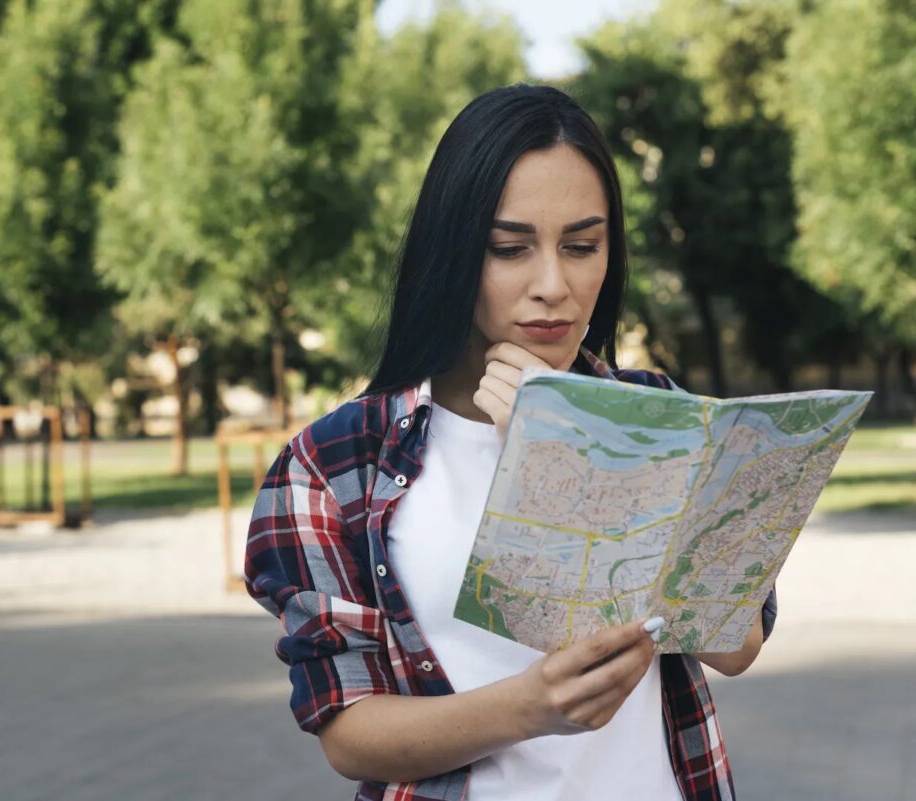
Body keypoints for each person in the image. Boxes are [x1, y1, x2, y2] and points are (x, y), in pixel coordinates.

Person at [243, 84, 776, 801]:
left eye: (582, 245)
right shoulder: (333, 465)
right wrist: (529, 707)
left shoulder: (657, 411)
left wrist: (575, 444)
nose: (553, 284)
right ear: (454, 252)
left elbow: (736, 644)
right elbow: (347, 729)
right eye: (509, 248)